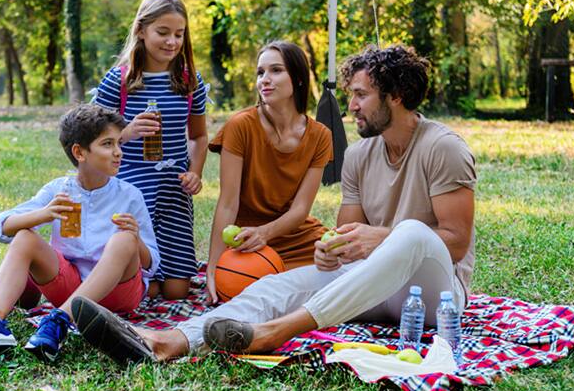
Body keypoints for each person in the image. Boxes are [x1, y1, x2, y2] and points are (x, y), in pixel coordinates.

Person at [73, 43, 474, 365]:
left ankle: (274, 333)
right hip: (371, 289)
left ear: (397, 96)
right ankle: (171, 341)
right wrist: (330, 250)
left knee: (410, 234)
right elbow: (347, 235)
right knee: (272, 286)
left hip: (433, 297)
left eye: (361, 95)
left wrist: (380, 239)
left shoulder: (442, 148)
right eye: (352, 95)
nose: (351, 105)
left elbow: (454, 241)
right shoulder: (358, 155)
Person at [0, 104, 158, 364]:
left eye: (118, 143)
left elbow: (151, 263)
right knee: (25, 236)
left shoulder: (129, 195)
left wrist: (136, 240)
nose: (118, 152)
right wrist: (44, 214)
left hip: (117, 295)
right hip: (68, 287)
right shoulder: (59, 189)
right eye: (107, 144)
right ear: (79, 152)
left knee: (124, 239)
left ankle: (60, 320)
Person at [92, 0, 210, 299]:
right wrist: (126, 133)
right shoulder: (119, 81)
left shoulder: (188, 81)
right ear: (141, 31)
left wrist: (195, 172)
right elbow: (92, 140)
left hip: (174, 190)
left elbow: (198, 137)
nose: (172, 42)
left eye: (179, 34)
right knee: (147, 287)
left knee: (176, 291)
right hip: (131, 190)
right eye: (163, 32)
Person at [205, 40, 333, 296]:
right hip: (246, 239)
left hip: (295, 234)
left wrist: (267, 232)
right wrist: (213, 268)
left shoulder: (320, 135)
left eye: (276, 70)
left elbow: (300, 210)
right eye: (260, 72)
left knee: (343, 262)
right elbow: (227, 203)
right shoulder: (239, 126)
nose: (265, 79)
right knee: (248, 286)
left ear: (297, 78)